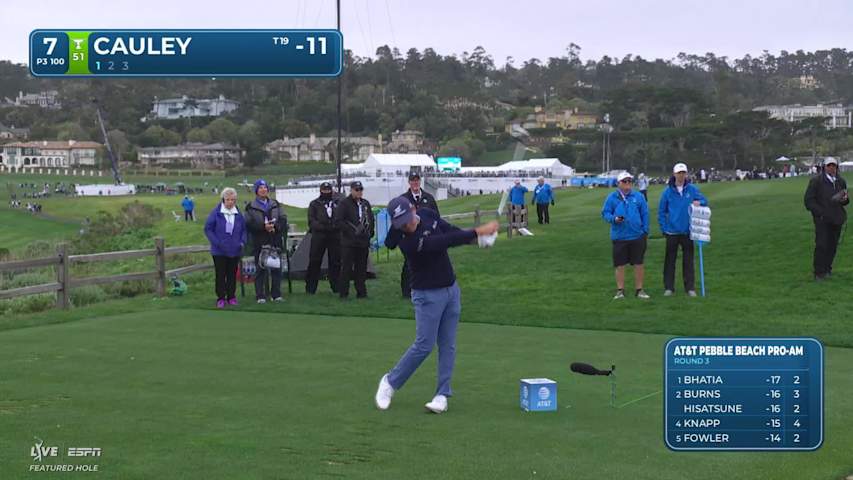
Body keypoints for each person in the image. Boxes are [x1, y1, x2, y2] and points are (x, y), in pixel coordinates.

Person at [374, 196, 500, 414]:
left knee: (448, 345)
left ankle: (442, 394)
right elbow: (443, 242)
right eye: (401, 223)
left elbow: (449, 231)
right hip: (426, 295)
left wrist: (478, 240)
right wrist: (479, 232)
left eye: (407, 219)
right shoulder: (409, 242)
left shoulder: (428, 215)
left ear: (413, 209)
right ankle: (390, 382)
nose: (406, 225)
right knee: (424, 345)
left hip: (451, 290)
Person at [658, 163, 708, 297]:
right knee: (670, 261)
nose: (681, 175)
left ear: (686, 174)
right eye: (679, 173)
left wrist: (700, 203)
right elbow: (661, 212)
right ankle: (669, 287)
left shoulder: (692, 189)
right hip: (672, 232)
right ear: (674, 174)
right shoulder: (667, 192)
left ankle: (690, 288)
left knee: (688, 261)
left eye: (683, 173)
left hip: (688, 231)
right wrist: (664, 228)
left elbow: (704, 201)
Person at [601, 171, 650, 300]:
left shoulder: (638, 196)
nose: (627, 184)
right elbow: (605, 213)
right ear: (619, 183)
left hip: (637, 235)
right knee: (620, 265)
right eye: (624, 181)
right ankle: (620, 290)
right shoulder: (612, 198)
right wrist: (614, 219)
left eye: (629, 181)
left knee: (639, 263)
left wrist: (644, 230)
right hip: (620, 236)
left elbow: (645, 213)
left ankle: (639, 290)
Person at [804, 157, 849, 280]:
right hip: (822, 219)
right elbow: (808, 201)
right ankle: (819, 272)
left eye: (834, 166)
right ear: (824, 167)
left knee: (832, 245)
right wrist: (821, 213)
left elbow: (845, 201)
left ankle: (827, 269)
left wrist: (845, 200)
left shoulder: (841, 181)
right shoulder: (816, 181)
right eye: (829, 165)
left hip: (837, 218)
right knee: (822, 245)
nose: (831, 168)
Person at [245, 179, 287, 303]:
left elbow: (283, 219)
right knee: (260, 269)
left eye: (265, 187)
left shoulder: (275, 204)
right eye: (260, 188)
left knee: (276, 268)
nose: (263, 190)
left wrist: (276, 227)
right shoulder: (250, 206)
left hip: (275, 239)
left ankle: (276, 294)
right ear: (256, 190)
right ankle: (260, 295)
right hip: (260, 240)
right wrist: (263, 227)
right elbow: (248, 224)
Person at [398, 172, 439, 297]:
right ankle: (407, 291)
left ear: (419, 181)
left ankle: (426, 287)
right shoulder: (403, 199)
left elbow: (436, 216)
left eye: (417, 180)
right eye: (412, 180)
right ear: (409, 182)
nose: (415, 183)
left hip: (426, 236)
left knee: (427, 263)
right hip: (410, 237)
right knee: (409, 264)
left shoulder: (428, 198)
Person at [204, 188, 246, 308]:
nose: (230, 202)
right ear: (223, 199)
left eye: (233, 200)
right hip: (219, 251)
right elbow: (208, 229)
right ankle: (221, 298)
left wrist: (242, 242)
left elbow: (244, 230)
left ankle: (231, 296)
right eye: (228, 199)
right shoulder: (216, 213)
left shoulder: (238, 214)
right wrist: (217, 242)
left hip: (234, 250)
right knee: (221, 274)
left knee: (232, 275)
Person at [335, 181, 374, 299]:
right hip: (349, 242)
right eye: (356, 190)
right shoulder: (344, 204)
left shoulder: (365, 203)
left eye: (360, 190)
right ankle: (344, 293)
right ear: (351, 190)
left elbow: (371, 219)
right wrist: (351, 231)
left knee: (361, 268)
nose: (359, 192)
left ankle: (361, 292)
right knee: (346, 267)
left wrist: (370, 232)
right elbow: (339, 221)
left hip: (363, 241)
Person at [305, 182, 341, 295]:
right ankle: (311, 288)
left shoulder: (338, 202)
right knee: (315, 261)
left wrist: (334, 226)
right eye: (324, 190)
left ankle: (336, 286)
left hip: (335, 235)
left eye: (328, 190)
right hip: (319, 236)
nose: (326, 192)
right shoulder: (314, 204)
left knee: (335, 261)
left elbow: (341, 217)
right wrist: (324, 227)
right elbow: (311, 221)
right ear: (320, 191)